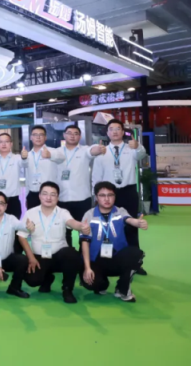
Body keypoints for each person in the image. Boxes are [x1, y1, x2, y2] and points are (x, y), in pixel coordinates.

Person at [18, 182, 91, 304]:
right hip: (39, 256)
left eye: (53, 194)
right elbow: (21, 236)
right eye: (45, 194)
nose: (48, 197)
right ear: (39, 196)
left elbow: (71, 222)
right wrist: (31, 258)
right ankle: (47, 278)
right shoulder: (30, 213)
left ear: (57, 198)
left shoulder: (63, 212)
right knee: (32, 280)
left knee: (71, 255)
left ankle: (67, 289)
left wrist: (81, 227)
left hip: (59, 257)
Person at [92, 119, 148, 275]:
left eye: (118, 128)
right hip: (108, 194)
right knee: (107, 227)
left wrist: (138, 146)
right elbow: (96, 175)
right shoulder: (102, 151)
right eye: (111, 129)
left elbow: (142, 154)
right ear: (107, 132)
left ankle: (135, 263)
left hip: (128, 191)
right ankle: (107, 260)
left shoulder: (131, 148)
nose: (115, 131)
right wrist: (96, 195)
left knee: (131, 227)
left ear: (123, 132)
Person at [80, 181, 148, 302]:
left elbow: (128, 219)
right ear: (96, 197)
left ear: (115, 197)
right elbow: (85, 242)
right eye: (102, 195)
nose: (107, 199)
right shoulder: (89, 215)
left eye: (110, 195)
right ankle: (102, 284)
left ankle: (122, 288)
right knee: (91, 283)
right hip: (96, 259)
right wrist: (87, 268)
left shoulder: (120, 211)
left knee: (136, 255)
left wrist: (137, 222)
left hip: (117, 257)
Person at [57, 125, 104, 248]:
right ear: (64, 135)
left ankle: (84, 256)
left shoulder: (84, 150)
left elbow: (92, 151)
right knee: (63, 232)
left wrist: (98, 149)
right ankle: (67, 254)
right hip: (62, 198)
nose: (72, 136)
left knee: (84, 230)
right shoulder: (57, 152)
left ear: (80, 136)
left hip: (82, 198)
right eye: (69, 133)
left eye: (76, 133)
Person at [20, 125, 65, 210]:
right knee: (33, 218)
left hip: (49, 195)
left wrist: (50, 155)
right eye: (35, 135)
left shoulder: (53, 151)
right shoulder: (27, 155)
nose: (38, 137)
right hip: (32, 194)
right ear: (31, 137)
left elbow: (62, 158)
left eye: (41, 134)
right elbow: (25, 176)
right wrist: (26, 196)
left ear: (45, 137)